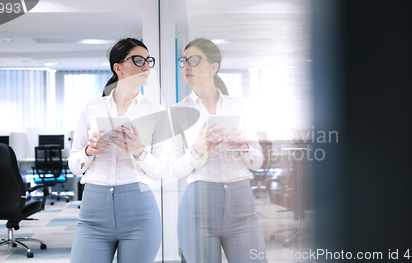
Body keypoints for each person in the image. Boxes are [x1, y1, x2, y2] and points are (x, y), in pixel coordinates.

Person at [170, 38, 267, 263]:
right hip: (198, 209)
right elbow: (174, 170)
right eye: (183, 61)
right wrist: (197, 149)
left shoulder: (239, 107)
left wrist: (244, 145)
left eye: (193, 60)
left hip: (242, 206)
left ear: (213, 67)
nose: (185, 66)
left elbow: (257, 162)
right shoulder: (177, 111)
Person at [68, 38, 164, 263]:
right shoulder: (92, 108)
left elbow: (160, 171)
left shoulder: (156, 112)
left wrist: (139, 150)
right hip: (93, 211)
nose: (146, 66)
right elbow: (73, 165)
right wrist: (89, 151)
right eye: (138, 60)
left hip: (139, 213)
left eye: (148, 60)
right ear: (117, 67)